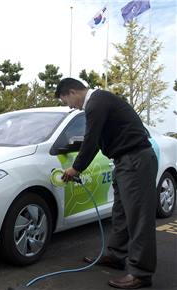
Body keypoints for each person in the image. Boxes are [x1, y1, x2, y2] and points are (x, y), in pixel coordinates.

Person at [55, 78, 158, 289]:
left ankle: (141, 273)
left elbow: (91, 139)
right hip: (125, 160)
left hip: (135, 159)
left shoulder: (96, 103)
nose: (69, 106)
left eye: (67, 101)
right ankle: (116, 254)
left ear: (73, 91)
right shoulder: (99, 102)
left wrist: (76, 168)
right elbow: (93, 138)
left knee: (139, 217)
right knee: (121, 211)